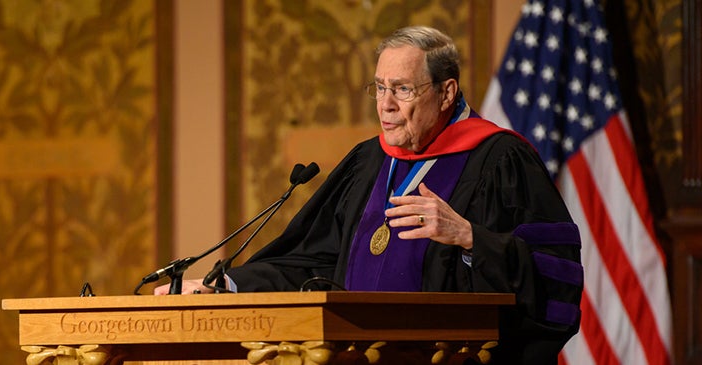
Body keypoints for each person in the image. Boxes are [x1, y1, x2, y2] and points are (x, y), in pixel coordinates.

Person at [157, 25, 582, 364]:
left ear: (447, 92)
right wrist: (226, 286)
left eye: (403, 89)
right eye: (379, 87)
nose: (386, 105)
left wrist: (471, 238)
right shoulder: (369, 162)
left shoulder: (501, 161)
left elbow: (555, 277)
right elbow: (313, 263)